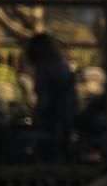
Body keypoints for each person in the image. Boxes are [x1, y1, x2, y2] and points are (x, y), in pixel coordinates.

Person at [24, 32, 78, 162]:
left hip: (52, 125)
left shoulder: (44, 68)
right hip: (65, 123)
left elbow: (44, 101)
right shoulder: (61, 66)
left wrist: (35, 117)